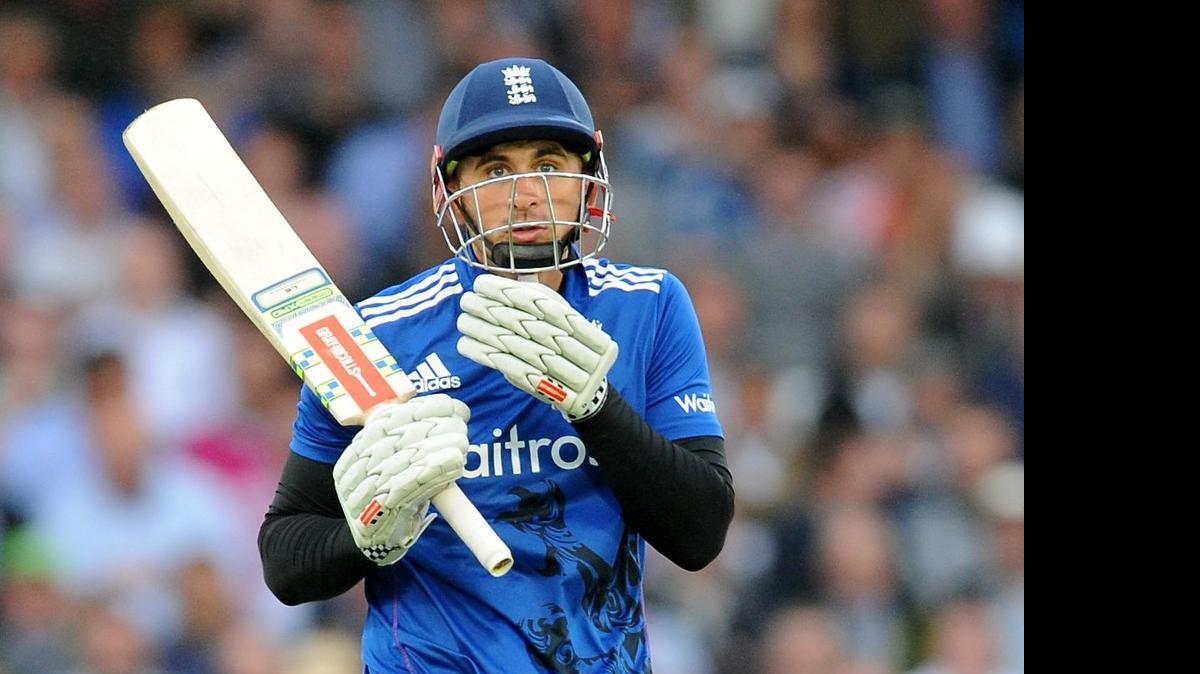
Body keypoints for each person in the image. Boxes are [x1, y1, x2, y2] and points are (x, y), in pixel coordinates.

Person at [258, 57, 734, 674]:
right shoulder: (374, 332)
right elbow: (285, 558)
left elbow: (699, 535)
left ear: (589, 175)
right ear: (452, 191)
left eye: (547, 164)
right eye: (495, 168)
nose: (524, 193)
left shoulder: (648, 307)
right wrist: (370, 537)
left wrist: (595, 409)